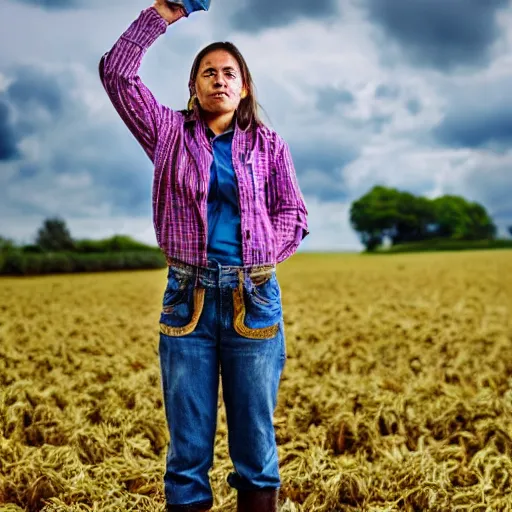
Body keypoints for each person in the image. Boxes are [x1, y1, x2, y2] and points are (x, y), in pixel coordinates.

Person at [99, 1, 309, 510]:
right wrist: (164, 14)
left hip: (253, 299)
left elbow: (293, 214)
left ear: (245, 88)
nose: (219, 79)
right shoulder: (168, 133)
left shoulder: (269, 145)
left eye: (229, 72)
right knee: (187, 453)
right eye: (208, 72)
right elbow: (116, 73)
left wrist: (256, 257)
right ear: (193, 86)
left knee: (255, 447)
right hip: (186, 298)